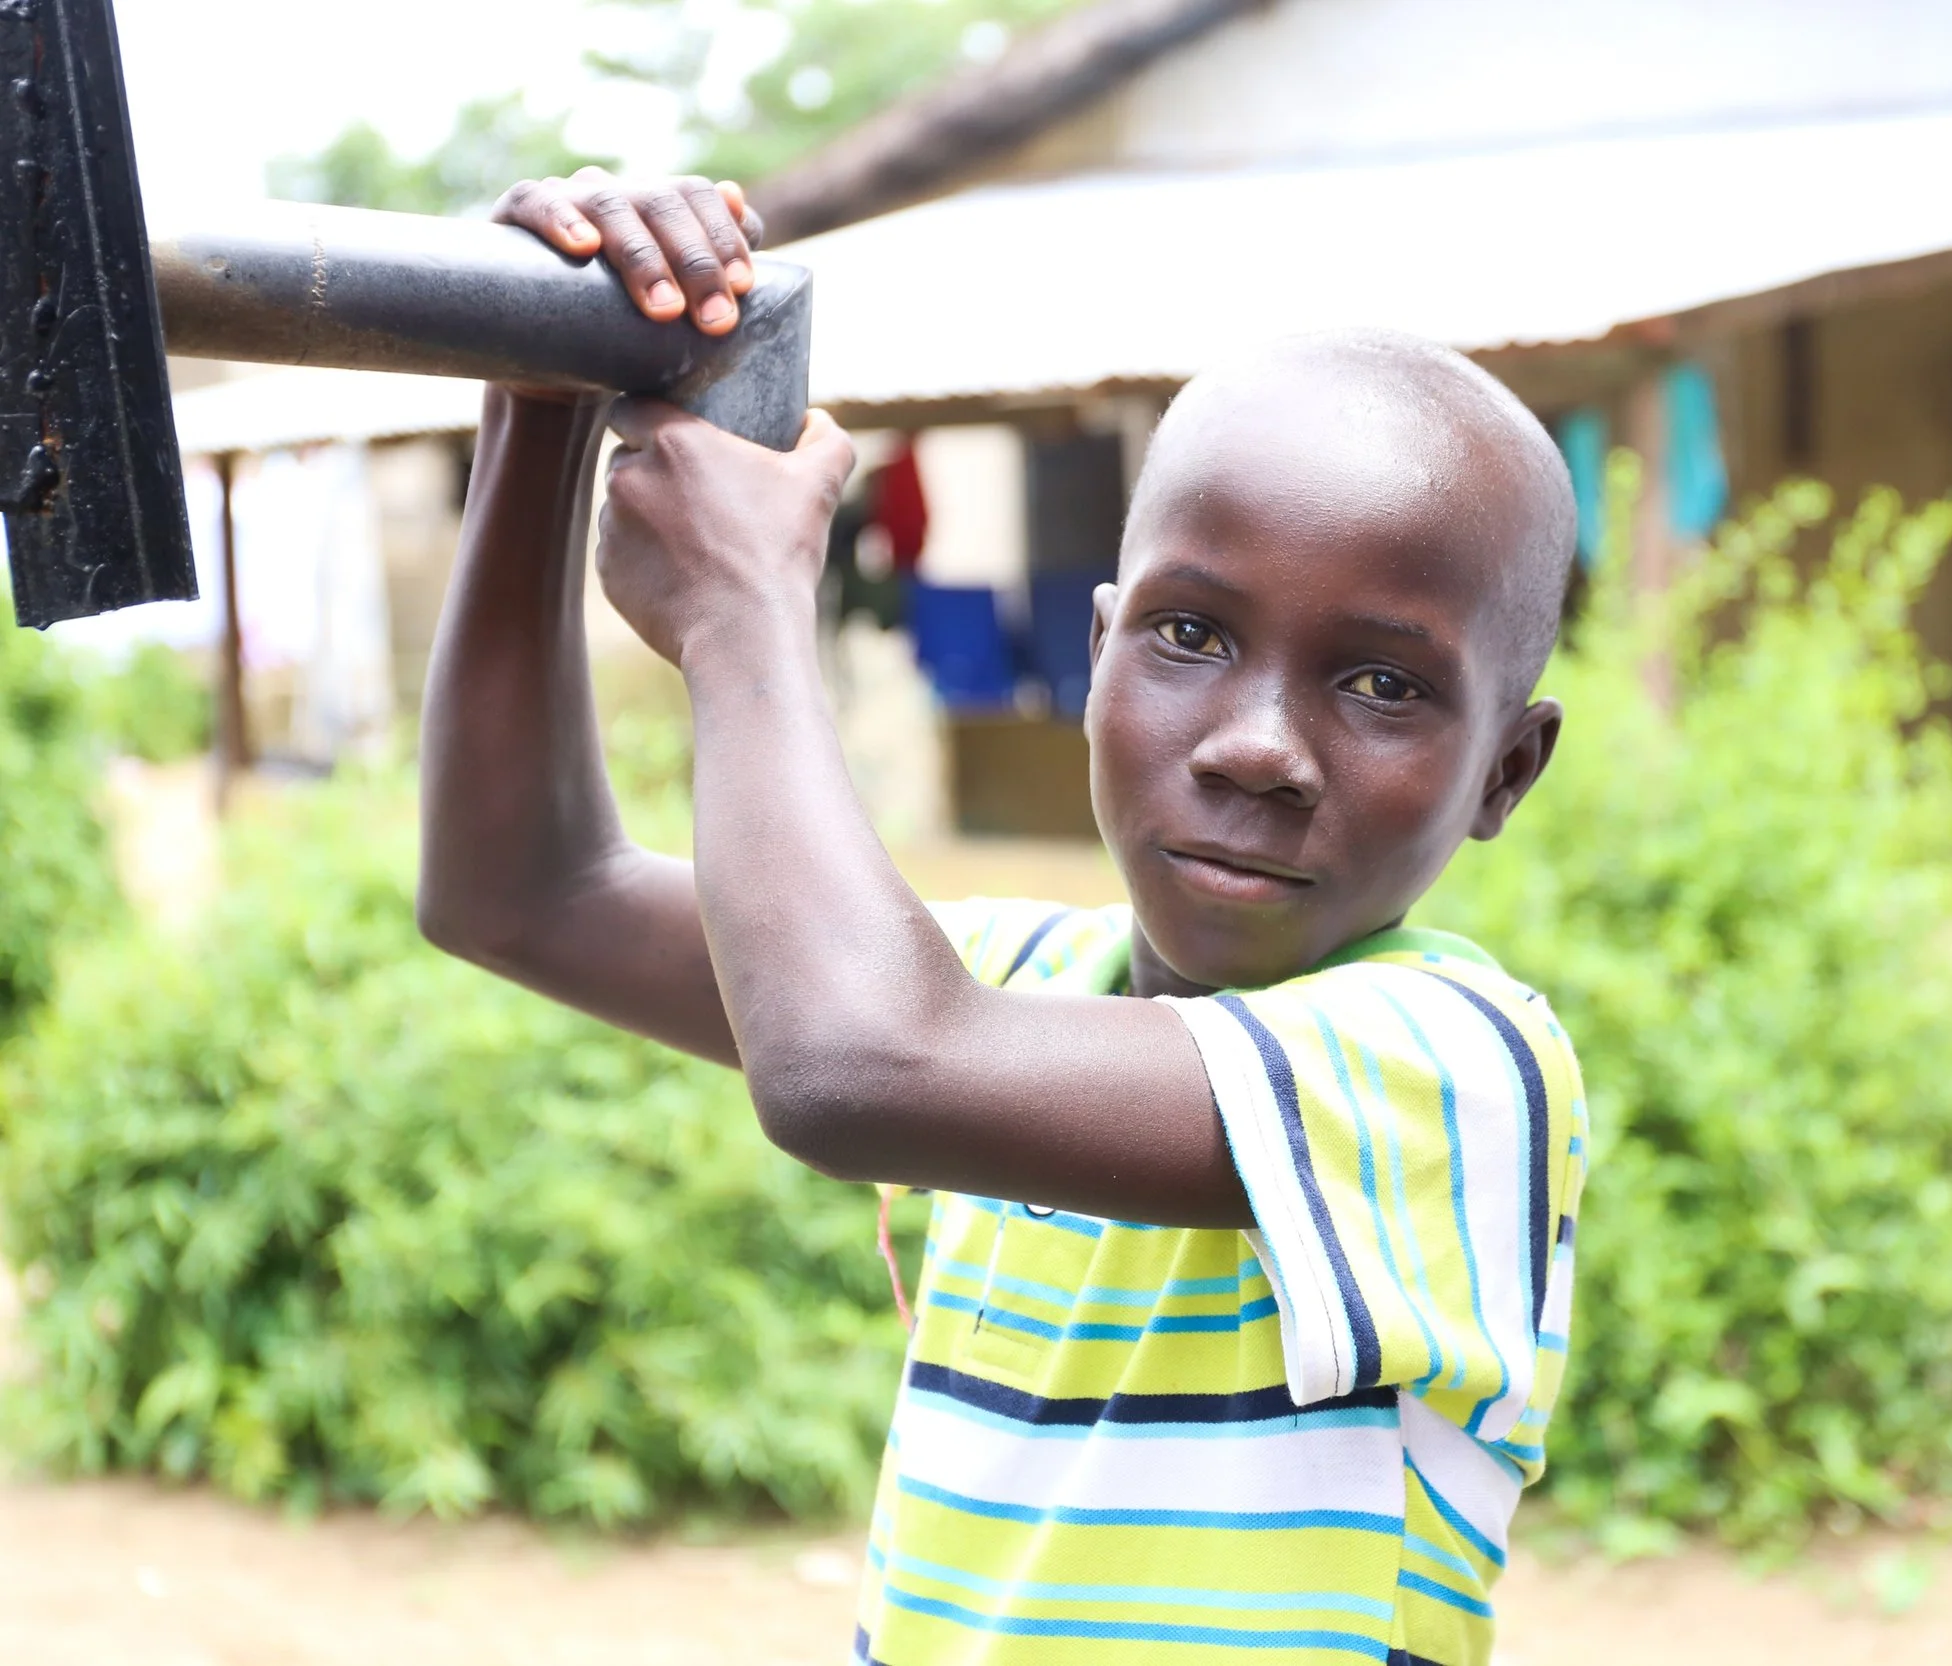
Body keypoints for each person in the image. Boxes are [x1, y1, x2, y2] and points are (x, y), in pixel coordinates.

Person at [419, 170, 1590, 1666]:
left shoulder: (1453, 1066)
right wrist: (542, 388)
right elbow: (524, 891)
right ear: (1097, 658)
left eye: (1381, 683)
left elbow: (857, 1065)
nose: (1256, 747)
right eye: (1190, 633)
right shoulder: (1017, 982)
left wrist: (742, 613)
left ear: (1505, 770)